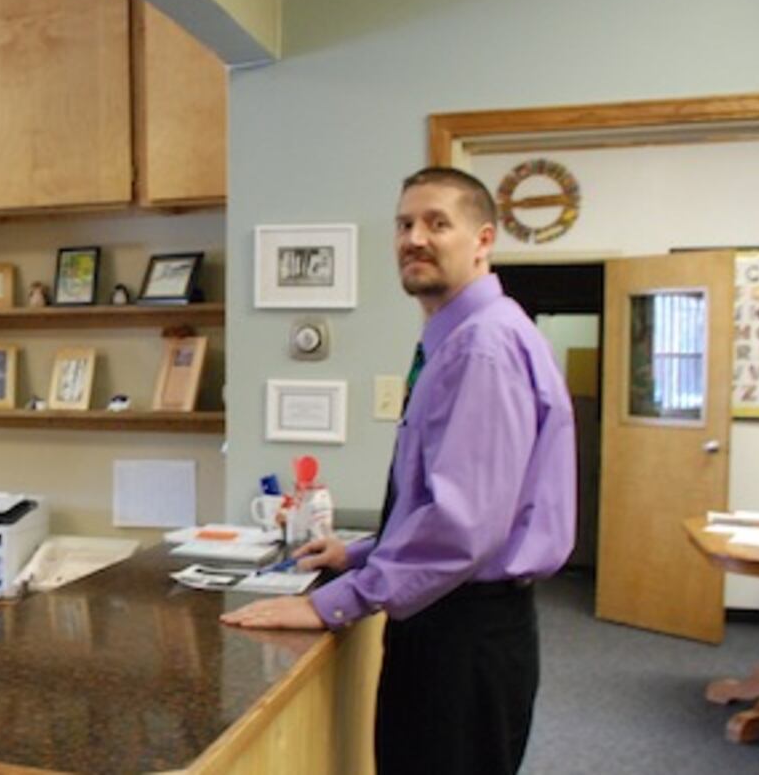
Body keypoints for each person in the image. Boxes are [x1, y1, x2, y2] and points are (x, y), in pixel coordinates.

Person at [222, 166, 575, 775]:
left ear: (483, 239)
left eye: (439, 223)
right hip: (455, 618)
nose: (415, 238)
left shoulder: (481, 348)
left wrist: (334, 602)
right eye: (405, 223)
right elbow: (448, 497)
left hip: (463, 633)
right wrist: (361, 554)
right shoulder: (458, 338)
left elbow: (465, 526)